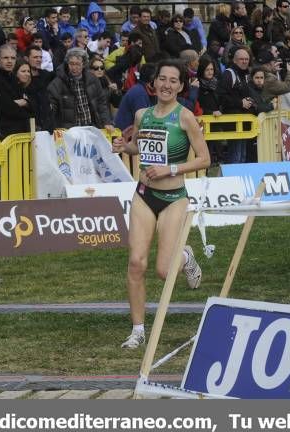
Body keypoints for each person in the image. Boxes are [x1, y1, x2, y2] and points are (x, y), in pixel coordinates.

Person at [111, 59, 210, 349]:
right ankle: (138, 330)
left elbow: (205, 159)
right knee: (135, 262)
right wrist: (124, 147)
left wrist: (171, 169)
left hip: (173, 198)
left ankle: (186, 257)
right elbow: (138, 147)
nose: (166, 85)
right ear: (154, 83)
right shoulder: (142, 114)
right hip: (144, 194)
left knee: (164, 271)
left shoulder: (185, 117)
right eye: (162, 79)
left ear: (180, 86)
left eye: (173, 81)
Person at [47, 47, 113, 130]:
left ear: (84, 64)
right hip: (70, 131)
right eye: (71, 63)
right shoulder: (57, 84)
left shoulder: (92, 79)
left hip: (91, 127)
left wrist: (106, 122)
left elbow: (101, 103)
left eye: (77, 64)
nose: (74, 67)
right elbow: (52, 110)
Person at [0, 44, 34, 139]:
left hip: (19, 133)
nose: (9, 61)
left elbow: (31, 105)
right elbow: (7, 109)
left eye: (12, 58)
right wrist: (23, 103)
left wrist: (24, 102)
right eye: (6, 58)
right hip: (5, 135)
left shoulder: (13, 77)